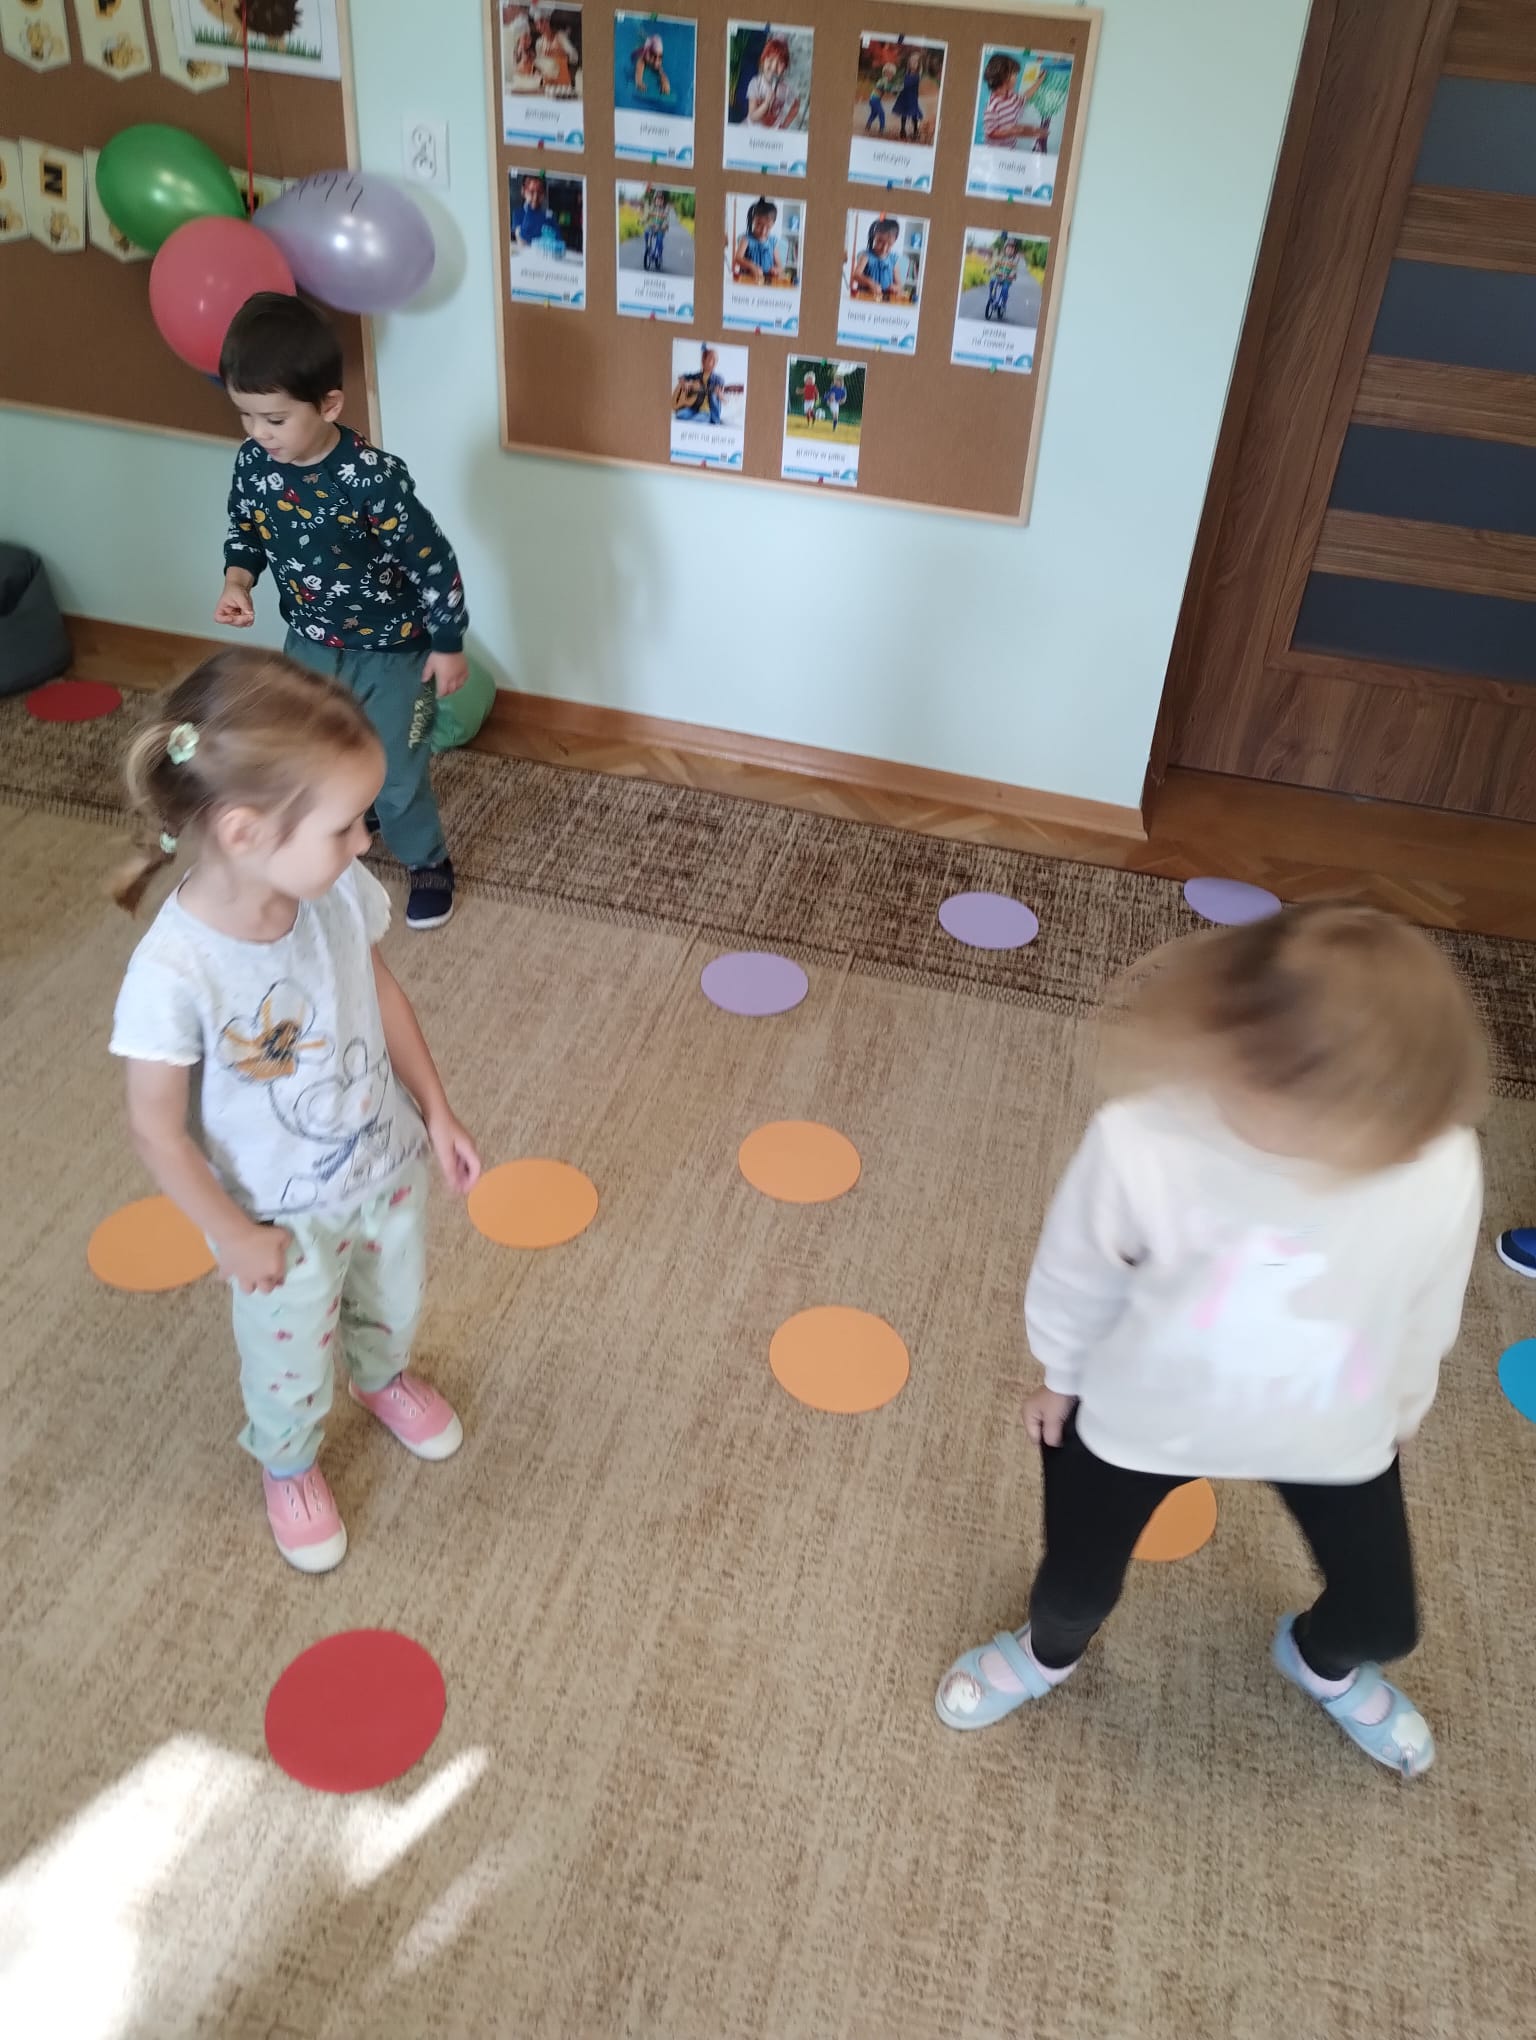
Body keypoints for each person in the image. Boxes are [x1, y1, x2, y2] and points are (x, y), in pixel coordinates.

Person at [934, 905, 1486, 1780]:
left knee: (1386, 1621)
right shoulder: (1145, 1137)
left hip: (1331, 1433)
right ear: (1235, 1047)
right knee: (1071, 1589)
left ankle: (1319, 1661)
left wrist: (1405, 1407)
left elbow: (1429, 1305)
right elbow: (1078, 1269)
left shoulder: (1438, 1162)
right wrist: (1062, 1374)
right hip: (1138, 1420)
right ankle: (1047, 1656)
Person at [109, 649, 482, 1575]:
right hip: (277, 1218)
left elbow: (379, 990)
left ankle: (382, 1379)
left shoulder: (334, 891)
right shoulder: (174, 971)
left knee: (393, 1301)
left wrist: (435, 1110)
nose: (366, 844)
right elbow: (155, 1126)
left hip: (384, 1167)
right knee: (288, 1359)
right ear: (244, 832)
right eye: (346, 825)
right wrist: (230, 1233)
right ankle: (288, 1462)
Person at [215, 295, 468, 932]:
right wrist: (238, 580)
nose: (259, 432)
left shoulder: (373, 479)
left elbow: (433, 561)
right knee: (312, 755)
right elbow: (246, 530)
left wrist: (447, 642)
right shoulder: (254, 464)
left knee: (398, 770)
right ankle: (349, 820)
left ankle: (428, 862)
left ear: (328, 405)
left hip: (396, 654)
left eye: (274, 418)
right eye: (246, 415)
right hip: (309, 643)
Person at [980, 51, 1048, 151]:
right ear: (1004, 77)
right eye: (1014, 74)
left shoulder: (1012, 96)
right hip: (995, 151)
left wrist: (1040, 80)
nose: (1016, 77)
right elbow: (990, 133)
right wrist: (1016, 131)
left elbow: (1026, 97)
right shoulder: (992, 106)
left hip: (1011, 147)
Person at [744, 34, 800, 129]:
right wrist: (766, 103)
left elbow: (796, 105)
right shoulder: (755, 84)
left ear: (785, 68)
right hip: (753, 129)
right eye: (770, 60)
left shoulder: (785, 89)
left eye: (780, 63)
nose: (774, 67)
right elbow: (752, 117)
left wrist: (785, 125)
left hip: (774, 131)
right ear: (763, 61)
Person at [851, 216, 903, 300]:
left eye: (889, 244)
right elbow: (856, 275)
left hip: (885, 299)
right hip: (865, 298)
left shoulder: (893, 259)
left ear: (895, 241)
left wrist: (895, 287)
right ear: (874, 236)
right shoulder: (866, 255)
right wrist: (870, 282)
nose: (884, 248)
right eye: (880, 242)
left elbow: (899, 285)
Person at [733, 198, 780, 284]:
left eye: (768, 227)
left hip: (767, 281)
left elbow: (779, 265)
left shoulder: (773, 241)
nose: (763, 231)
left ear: (773, 224)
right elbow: (738, 258)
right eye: (759, 225)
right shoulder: (746, 239)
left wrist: (776, 269)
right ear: (753, 220)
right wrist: (752, 266)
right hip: (747, 280)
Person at [675, 344, 725, 425]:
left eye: (716, 360)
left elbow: (723, 399)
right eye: (711, 359)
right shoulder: (697, 375)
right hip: (695, 409)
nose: (714, 363)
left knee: (695, 421)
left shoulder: (718, 379)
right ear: (703, 361)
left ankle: (710, 420)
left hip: (707, 412)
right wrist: (685, 383)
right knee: (679, 415)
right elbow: (681, 377)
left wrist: (720, 395)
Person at [513, 171, 559, 245]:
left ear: (544, 194)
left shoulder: (550, 216)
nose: (535, 197)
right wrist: (529, 210)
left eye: (540, 192)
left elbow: (558, 240)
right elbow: (521, 240)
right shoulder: (518, 213)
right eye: (531, 192)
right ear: (524, 191)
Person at [892, 49, 926, 140]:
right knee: (904, 113)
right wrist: (895, 89)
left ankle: (915, 130)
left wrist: (897, 87)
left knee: (913, 115)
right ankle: (902, 130)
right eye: (912, 62)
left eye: (915, 62)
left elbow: (906, 84)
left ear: (919, 65)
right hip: (904, 97)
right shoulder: (906, 74)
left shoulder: (917, 76)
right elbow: (901, 83)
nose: (913, 64)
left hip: (912, 98)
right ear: (909, 63)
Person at [985, 236, 1020, 320]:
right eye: (1008, 248)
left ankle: (1003, 303)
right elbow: (995, 266)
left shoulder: (1014, 261)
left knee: (1005, 289)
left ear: (1014, 251)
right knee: (992, 281)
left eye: (1012, 249)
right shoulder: (1001, 258)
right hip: (998, 276)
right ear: (1005, 249)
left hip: (1007, 279)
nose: (1009, 250)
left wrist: (1011, 275)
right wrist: (989, 270)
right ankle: (991, 297)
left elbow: (1014, 270)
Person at [633, 30, 671, 98]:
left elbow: (660, 72)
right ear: (648, 54)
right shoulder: (642, 60)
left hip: (649, 46)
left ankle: (646, 38)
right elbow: (638, 71)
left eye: (660, 57)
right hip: (641, 51)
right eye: (654, 56)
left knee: (646, 40)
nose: (657, 61)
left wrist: (665, 81)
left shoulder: (656, 61)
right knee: (640, 38)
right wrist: (639, 82)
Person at [642, 186, 671, 271]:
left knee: (659, 240)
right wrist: (643, 220)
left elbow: (666, 220)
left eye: (661, 199)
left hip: (661, 229)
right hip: (652, 227)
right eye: (657, 199)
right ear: (655, 200)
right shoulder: (652, 207)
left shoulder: (665, 209)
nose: (659, 201)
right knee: (646, 232)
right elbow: (647, 216)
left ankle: (659, 254)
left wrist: (663, 226)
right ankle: (648, 247)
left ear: (663, 201)